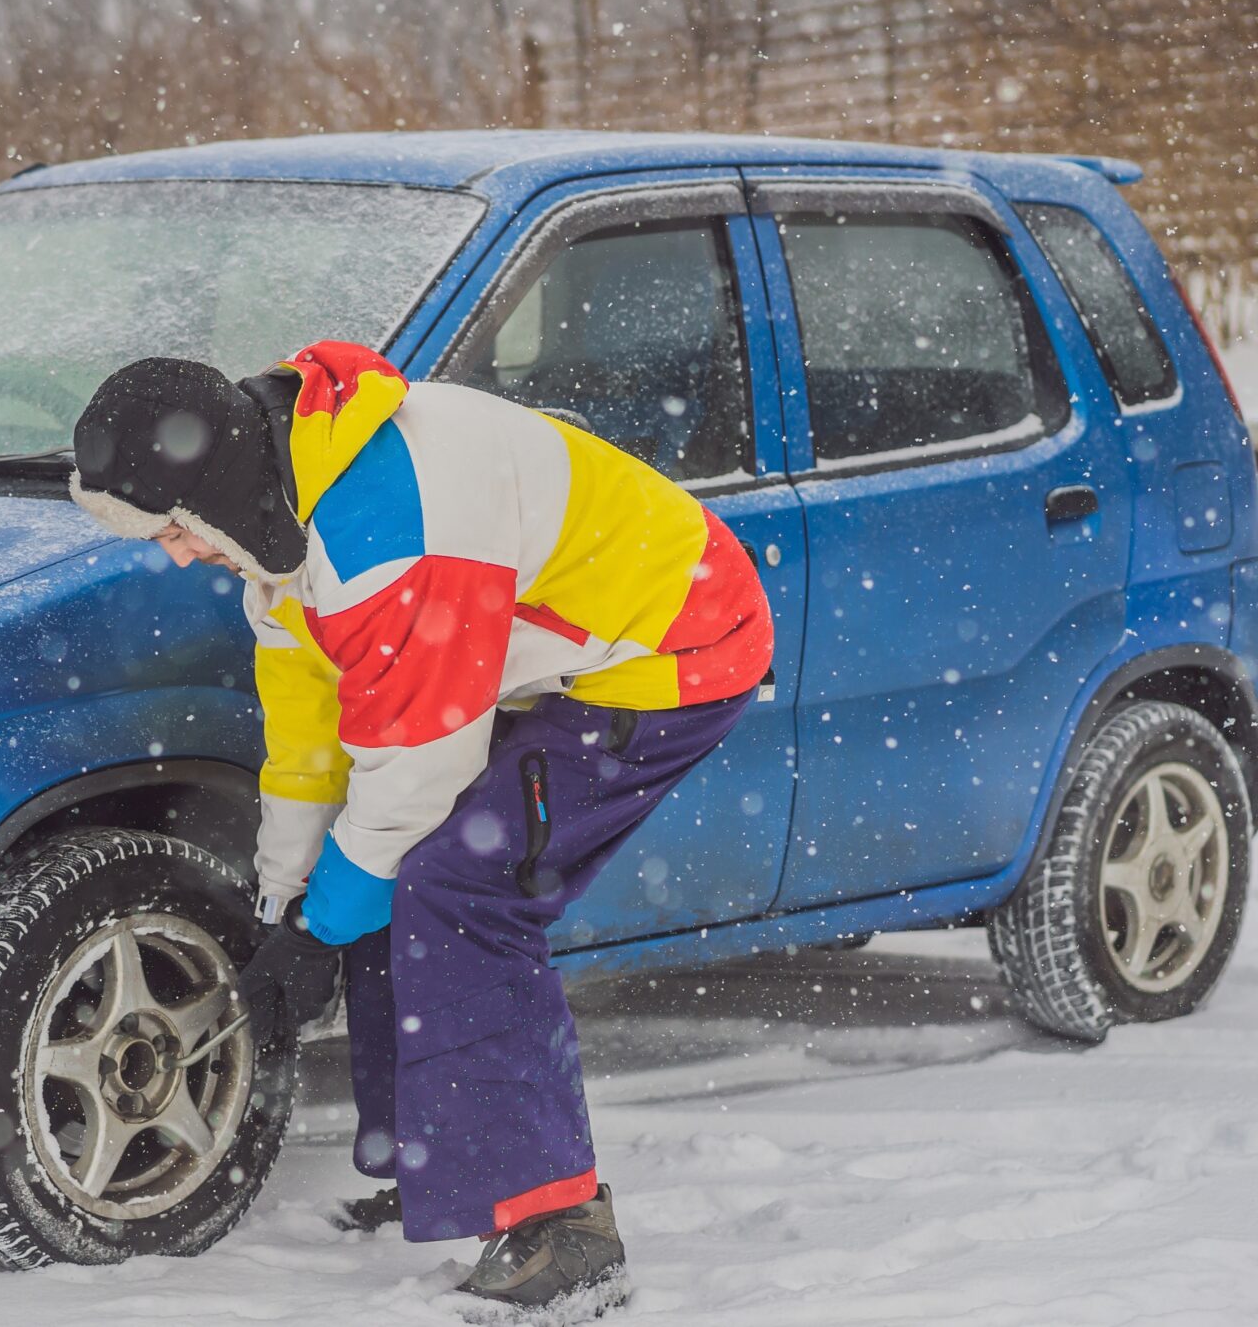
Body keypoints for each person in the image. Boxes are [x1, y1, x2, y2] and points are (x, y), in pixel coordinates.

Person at [68, 340, 772, 1313]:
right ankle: (443, 1159)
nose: (174, 551)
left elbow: (416, 774)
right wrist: (286, 899)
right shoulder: (283, 518)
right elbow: (309, 735)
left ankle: (559, 1229)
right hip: (535, 651)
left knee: (458, 885)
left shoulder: (385, 540)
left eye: (174, 527)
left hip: (668, 647)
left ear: (215, 495)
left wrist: (325, 928)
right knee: (378, 870)